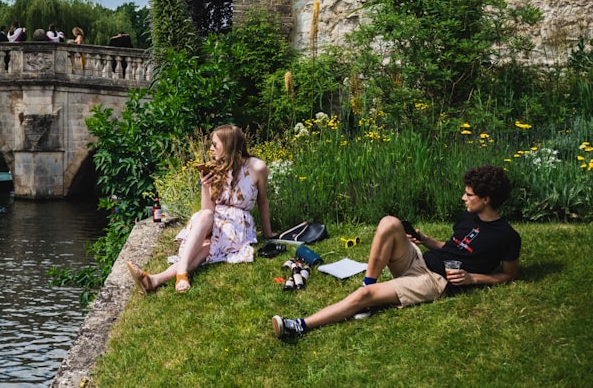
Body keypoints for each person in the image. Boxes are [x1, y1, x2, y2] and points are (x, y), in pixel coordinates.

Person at [272, 164, 521, 339]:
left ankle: (299, 326)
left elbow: (508, 275)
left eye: (469, 195)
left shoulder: (506, 236)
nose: (463, 198)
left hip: (435, 281)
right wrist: (424, 239)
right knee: (390, 222)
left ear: (486, 199)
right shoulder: (468, 217)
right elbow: (452, 247)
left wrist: (472, 279)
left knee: (366, 295)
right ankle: (368, 284)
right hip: (420, 262)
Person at [126, 124, 273, 293]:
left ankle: (155, 279)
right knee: (205, 216)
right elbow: (208, 209)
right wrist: (205, 187)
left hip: (237, 224)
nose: (211, 149)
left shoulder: (257, 167)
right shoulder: (215, 167)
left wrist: (268, 233)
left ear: (229, 145)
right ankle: (180, 273)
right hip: (212, 218)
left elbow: (263, 201)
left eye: (215, 144)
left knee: (207, 248)